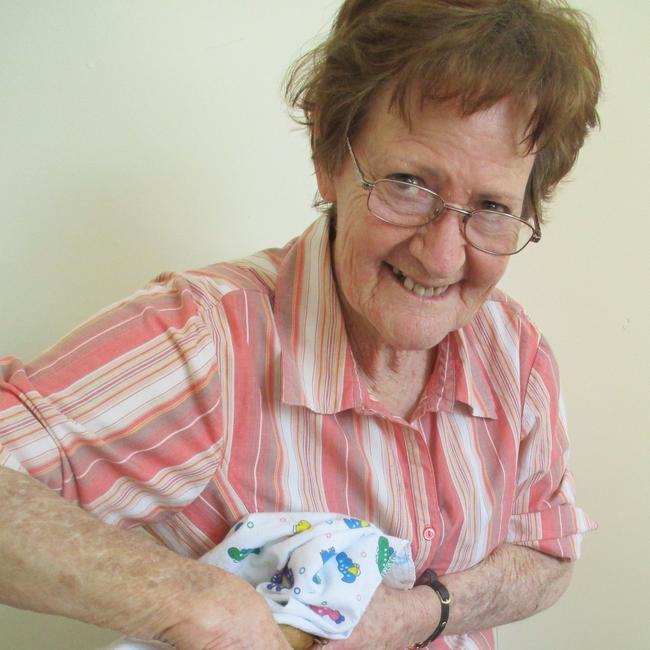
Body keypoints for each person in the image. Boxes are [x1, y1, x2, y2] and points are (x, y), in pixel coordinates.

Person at [0, 1, 601, 648]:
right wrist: (195, 603)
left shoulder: (515, 352)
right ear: (328, 156)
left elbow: (548, 551)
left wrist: (421, 612)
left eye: (489, 208)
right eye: (407, 184)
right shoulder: (208, 342)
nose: (443, 256)